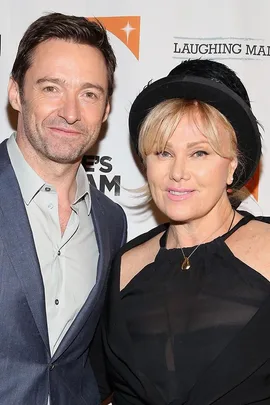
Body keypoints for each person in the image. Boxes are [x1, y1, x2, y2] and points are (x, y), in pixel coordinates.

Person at [90, 59, 270, 405]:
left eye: (199, 152)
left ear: (233, 164)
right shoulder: (123, 266)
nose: (178, 172)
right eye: (164, 152)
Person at [1, 12, 127, 405]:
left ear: (105, 109)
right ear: (17, 94)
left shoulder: (110, 221)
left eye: (89, 93)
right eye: (52, 88)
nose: (71, 112)